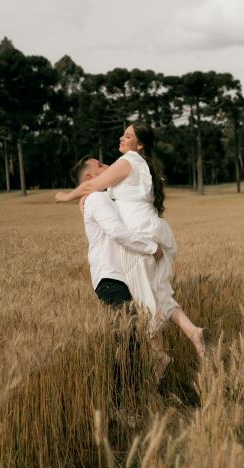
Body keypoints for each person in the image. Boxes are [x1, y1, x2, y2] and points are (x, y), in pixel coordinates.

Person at [56, 123, 211, 377]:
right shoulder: (140, 165)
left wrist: (64, 197)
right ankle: (193, 333)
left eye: (128, 135)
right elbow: (96, 191)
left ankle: (157, 354)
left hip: (140, 234)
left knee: (143, 296)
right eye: (124, 133)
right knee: (156, 290)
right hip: (153, 229)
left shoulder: (126, 161)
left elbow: (89, 187)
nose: (121, 138)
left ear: (139, 144)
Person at [66, 154, 169, 383]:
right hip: (111, 279)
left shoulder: (105, 198)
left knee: (130, 339)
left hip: (121, 278)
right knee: (128, 338)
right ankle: (121, 404)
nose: (108, 165)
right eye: (100, 165)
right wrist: (152, 248)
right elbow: (117, 231)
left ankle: (135, 396)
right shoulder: (96, 199)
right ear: (90, 177)